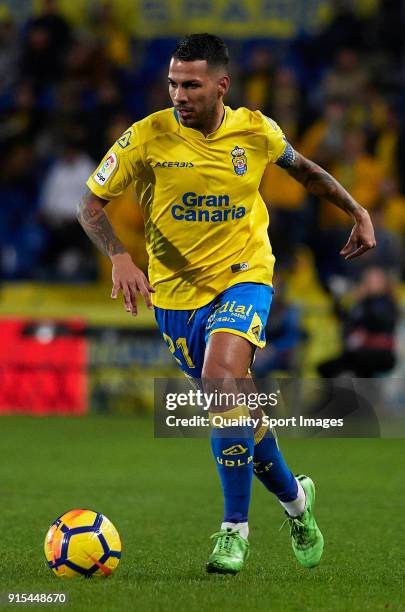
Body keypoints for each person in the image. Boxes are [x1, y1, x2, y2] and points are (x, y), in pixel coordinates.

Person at [77, 34, 376, 575]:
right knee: (238, 412)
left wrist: (357, 210)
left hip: (245, 277)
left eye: (191, 84)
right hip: (174, 297)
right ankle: (298, 503)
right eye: (172, 83)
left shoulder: (256, 131)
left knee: (220, 381)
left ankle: (232, 531)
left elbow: (305, 170)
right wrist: (121, 258)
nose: (179, 94)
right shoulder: (145, 138)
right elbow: (91, 206)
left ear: (222, 85)